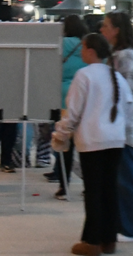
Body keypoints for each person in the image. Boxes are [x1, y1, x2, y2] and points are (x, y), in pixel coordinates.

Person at [52, 33, 133, 256]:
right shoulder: (115, 75)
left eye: (83, 47)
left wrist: (62, 131)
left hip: (92, 140)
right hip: (115, 139)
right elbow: (128, 106)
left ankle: (92, 240)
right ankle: (109, 239)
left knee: (94, 191)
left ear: (90, 51)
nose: (80, 51)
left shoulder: (84, 75)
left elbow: (73, 110)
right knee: (109, 190)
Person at [101, 12, 133, 243]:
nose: (102, 29)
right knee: (122, 178)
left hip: (124, 127)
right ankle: (127, 225)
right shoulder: (117, 54)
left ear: (117, 29)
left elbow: (124, 94)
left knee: (128, 178)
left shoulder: (126, 56)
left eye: (106, 25)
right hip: (118, 125)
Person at [47, 15, 88, 200]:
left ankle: (64, 186)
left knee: (65, 145)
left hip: (64, 97)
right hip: (86, 97)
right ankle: (89, 186)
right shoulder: (88, 45)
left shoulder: (60, 44)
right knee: (85, 147)